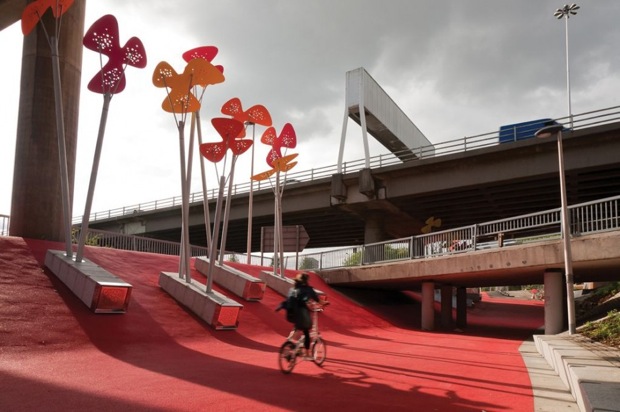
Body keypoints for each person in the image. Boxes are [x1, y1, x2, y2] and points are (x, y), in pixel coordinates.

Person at [292, 272, 322, 358]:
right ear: (307, 280)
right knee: (306, 332)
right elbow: (318, 300)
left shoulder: (295, 288)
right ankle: (307, 353)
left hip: (294, 311)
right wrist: (324, 303)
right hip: (302, 312)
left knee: (297, 328)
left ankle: (291, 344)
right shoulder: (308, 289)